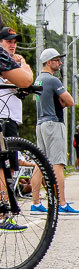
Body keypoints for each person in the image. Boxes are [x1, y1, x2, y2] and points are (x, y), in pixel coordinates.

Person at [29, 48, 78, 215]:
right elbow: (70, 101)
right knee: (58, 164)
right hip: (54, 123)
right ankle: (62, 203)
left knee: (39, 164)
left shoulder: (38, 80)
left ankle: (35, 203)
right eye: (57, 60)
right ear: (48, 62)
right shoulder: (53, 80)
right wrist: (62, 103)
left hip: (40, 124)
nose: (60, 63)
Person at [0, 27, 33, 233]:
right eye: (8, 41)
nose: (12, 45)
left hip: (10, 117)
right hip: (4, 117)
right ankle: (4, 212)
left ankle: (5, 211)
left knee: (9, 167)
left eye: (15, 42)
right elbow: (26, 81)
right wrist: (24, 65)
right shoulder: (6, 60)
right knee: (3, 166)